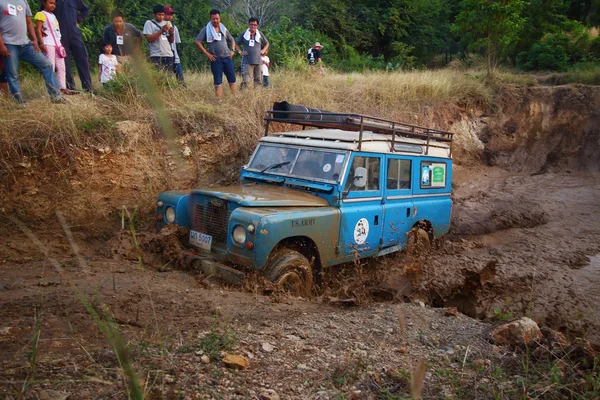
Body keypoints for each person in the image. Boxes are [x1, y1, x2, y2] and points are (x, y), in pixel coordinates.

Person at [0, 0, 64, 103]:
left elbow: (29, 22)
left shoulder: (23, 1)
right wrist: (1, 45)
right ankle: (20, 103)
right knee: (13, 75)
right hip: (8, 44)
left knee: (47, 64)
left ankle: (56, 97)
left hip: (26, 44)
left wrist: (34, 40)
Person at [195, 9, 237, 98]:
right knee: (218, 81)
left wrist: (232, 50)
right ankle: (219, 100)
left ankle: (235, 97)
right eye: (213, 19)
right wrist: (207, 53)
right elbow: (197, 41)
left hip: (227, 57)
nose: (215, 21)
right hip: (215, 59)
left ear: (220, 18)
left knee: (232, 79)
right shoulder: (207, 29)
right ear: (210, 19)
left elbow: (232, 39)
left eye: (217, 19)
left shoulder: (223, 28)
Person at [34, 0, 73, 96]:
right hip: (48, 43)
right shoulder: (41, 14)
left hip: (57, 43)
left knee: (61, 66)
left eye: (54, 4)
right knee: (50, 66)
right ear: (44, 3)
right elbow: (38, 30)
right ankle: (52, 89)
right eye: (50, 3)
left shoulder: (53, 16)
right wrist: (42, 44)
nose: (53, 5)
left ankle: (62, 87)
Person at [54, 0, 92, 92]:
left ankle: (87, 87)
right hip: (59, 35)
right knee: (64, 61)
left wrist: (78, 19)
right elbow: (43, 12)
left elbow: (86, 10)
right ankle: (70, 87)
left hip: (74, 34)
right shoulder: (52, 1)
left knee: (82, 58)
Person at [235, 17, 268, 90]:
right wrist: (240, 52)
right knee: (246, 80)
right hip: (247, 61)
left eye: (255, 25)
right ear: (249, 25)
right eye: (251, 24)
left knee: (258, 80)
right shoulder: (244, 34)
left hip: (258, 61)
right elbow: (235, 43)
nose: (253, 26)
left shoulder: (260, 34)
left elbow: (267, 43)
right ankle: (244, 95)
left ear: (257, 26)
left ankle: (257, 96)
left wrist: (263, 50)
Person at [143, 4, 174, 73]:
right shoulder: (149, 23)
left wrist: (171, 34)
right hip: (156, 55)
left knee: (168, 78)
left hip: (168, 54)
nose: (161, 17)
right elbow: (149, 39)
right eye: (159, 15)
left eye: (163, 15)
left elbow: (171, 41)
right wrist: (161, 31)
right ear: (154, 15)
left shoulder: (167, 23)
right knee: (157, 78)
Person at [164, 6, 184, 84]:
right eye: (168, 14)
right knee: (166, 80)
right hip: (164, 55)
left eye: (171, 15)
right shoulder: (159, 27)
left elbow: (175, 43)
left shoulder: (174, 28)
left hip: (174, 56)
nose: (170, 17)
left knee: (180, 80)